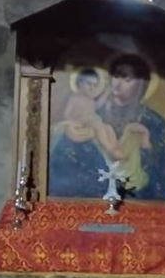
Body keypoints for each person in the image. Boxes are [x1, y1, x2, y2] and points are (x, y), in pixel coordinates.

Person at [99, 54, 165, 201]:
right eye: (115, 76)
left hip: (141, 196)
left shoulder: (154, 122)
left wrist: (146, 144)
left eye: (127, 79)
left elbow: (163, 166)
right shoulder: (95, 116)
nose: (117, 84)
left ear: (141, 84)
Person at [47, 67, 116, 197]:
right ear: (79, 83)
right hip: (77, 128)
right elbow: (68, 114)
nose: (92, 88)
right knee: (99, 128)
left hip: (89, 130)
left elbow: (98, 105)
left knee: (105, 129)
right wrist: (77, 120)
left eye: (95, 85)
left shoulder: (91, 100)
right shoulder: (75, 98)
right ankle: (111, 148)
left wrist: (107, 92)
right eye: (89, 84)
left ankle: (112, 149)